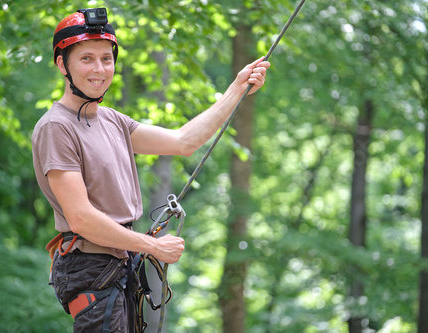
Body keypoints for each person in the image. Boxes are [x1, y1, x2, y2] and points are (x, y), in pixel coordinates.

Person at [32, 7, 270, 333]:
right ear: (63, 65)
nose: (100, 68)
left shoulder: (112, 120)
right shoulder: (56, 128)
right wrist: (154, 247)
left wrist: (236, 90)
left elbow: (184, 141)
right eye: (86, 58)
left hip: (120, 266)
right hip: (91, 269)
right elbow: (81, 218)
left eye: (106, 58)